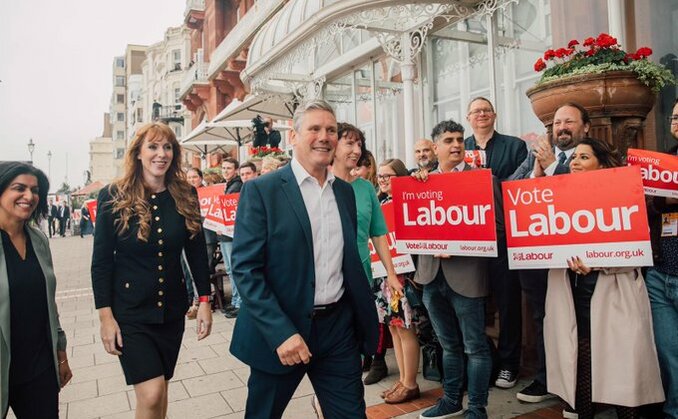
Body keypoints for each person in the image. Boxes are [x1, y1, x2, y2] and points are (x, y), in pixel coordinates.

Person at [229, 99, 378, 419]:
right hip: (281, 331)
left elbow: (348, 261)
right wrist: (280, 332)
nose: (324, 136)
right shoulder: (262, 191)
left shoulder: (345, 194)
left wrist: (360, 325)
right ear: (293, 137)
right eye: (314, 129)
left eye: (331, 130)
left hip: (337, 332)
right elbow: (245, 269)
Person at [91, 122, 212, 419]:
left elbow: (196, 253)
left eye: (167, 147)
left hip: (172, 310)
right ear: (139, 153)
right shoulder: (112, 195)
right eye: (153, 147)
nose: (161, 154)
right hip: (130, 312)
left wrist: (205, 301)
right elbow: (102, 261)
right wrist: (106, 318)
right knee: (152, 391)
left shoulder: (186, 193)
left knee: (161, 390)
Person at [544, 138, 664, 419]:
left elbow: (639, 250)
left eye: (584, 157)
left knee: (624, 366)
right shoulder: (557, 197)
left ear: (601, 162)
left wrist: (600, 263)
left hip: (614, 291)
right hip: (573, 292)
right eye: (573, 157)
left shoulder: (624, 195)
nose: (575, 162)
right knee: (582, 362)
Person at [413, 120, 504, 419]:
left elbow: (498, 228)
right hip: (430, 277)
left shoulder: (481, 179)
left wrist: (461, 243)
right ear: (435, 147)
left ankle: (477, 408)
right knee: (447, 345)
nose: (455, 145)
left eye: (459, 140)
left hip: (467, 278)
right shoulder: (420, 182)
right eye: (448, 140)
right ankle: (451, 400)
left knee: (474, 347)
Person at [508, 102, 590, 403]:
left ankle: (580, 389)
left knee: (579, 321)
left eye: (569, 121)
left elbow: (586, 192)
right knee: (543, 319)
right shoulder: (536, 155)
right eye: (556, 123)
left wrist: (555, 166)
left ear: (585, 127)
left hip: (579, 262)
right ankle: (545, 380)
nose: (561, 127)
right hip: (538, 259)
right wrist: (537, 171)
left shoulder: (594, 153)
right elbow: (510, 189)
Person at [464, 97, 528, 389]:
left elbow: (520, 185)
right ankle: (481, 361)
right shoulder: (460, 147)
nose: (481, 115)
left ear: (495, 115)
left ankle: (509, 364)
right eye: (476, 111)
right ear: (468, 117)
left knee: (508, 301)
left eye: (486, 110)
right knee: (473, 301)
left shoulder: (514, 146)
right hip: (471, 239)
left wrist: (488, 182)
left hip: (503, 236)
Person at [0, 161, 73, 418]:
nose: (29, 196)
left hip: (38, 366)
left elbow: (48, 303)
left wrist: (61, 354)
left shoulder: (38, 239)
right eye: (18, 188)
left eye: (35, 189)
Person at [371, 157, 421, 403]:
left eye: (387, 176)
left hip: (402, 275)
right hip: (383, 276)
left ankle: (410, 382)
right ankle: (402, 380)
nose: (382, 180)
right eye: (380, 176)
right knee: (394, 328)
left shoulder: (407, 202)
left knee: (405, 328)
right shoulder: (381, 203)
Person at [645, 98, 678, 419]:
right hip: (660, 272)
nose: (677, 121)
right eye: (675, 116)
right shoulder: (664, 162)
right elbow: (649, 206)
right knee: (669, 352)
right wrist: (663, 199)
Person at [220, 157, 243, 319]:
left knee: (234, 269)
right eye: (223, 168)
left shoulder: (236, 186)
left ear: (235, 170)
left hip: (230, 234)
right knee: (230, 269)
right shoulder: (227, 185)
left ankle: (239, 302)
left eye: (229, 168)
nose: (225, 171)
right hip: (223, 233)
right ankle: (236, 301)